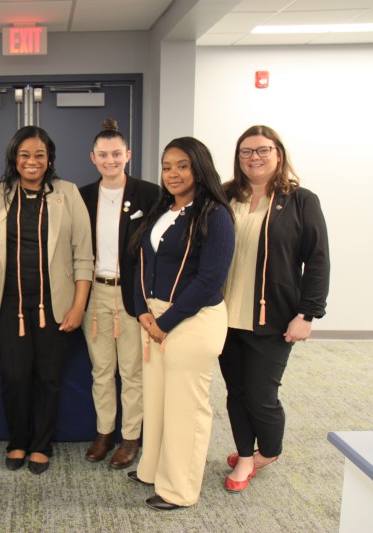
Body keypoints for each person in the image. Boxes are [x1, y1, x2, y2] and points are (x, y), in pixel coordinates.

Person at [220, 125, 330, 493]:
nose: (254, 157)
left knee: (261, 395)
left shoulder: (301, 201)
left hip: (272, 316)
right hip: (223, 315)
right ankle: (245, 456)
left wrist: (307, 314)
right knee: (236, 392)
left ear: (278, 155)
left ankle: (268, 451)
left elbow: (317, 260)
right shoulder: (225, 196)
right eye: (246, 151)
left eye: (263, 150)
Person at [127, 137, 234, 510]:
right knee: (157, 400)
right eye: (166, 166)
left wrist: (165, 322)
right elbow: (142, 262)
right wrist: (141, 309)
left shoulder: (215, 215)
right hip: (155, 318)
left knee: (185, 407)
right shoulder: (162, 209)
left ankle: (179, 489)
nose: (172, 173)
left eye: (182, 166)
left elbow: (210, 280)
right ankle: (154, 470)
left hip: (193, 319)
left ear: (199, 168)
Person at [0, 126, 93, 475]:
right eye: (25, 155)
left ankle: (41, 445)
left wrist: (78, 305)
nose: (32, 161)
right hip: (9, 305)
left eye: (40, 155)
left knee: (48, 378)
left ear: (49, 159)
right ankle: (18, 440)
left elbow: (83, 256)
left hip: (55, 305)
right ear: (14, 159)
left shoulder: (68, 194)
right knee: (14, 377)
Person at [79, 118, 159, 468]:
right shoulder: (83, 196)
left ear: (127, 155)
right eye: (103, 155)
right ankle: (104, 433)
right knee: (101, 370)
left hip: (131, 294)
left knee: (131, 371)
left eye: (116, 154)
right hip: (95, 293)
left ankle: (130, 438)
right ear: (93, 158)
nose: (110, 160)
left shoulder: (150, 194)